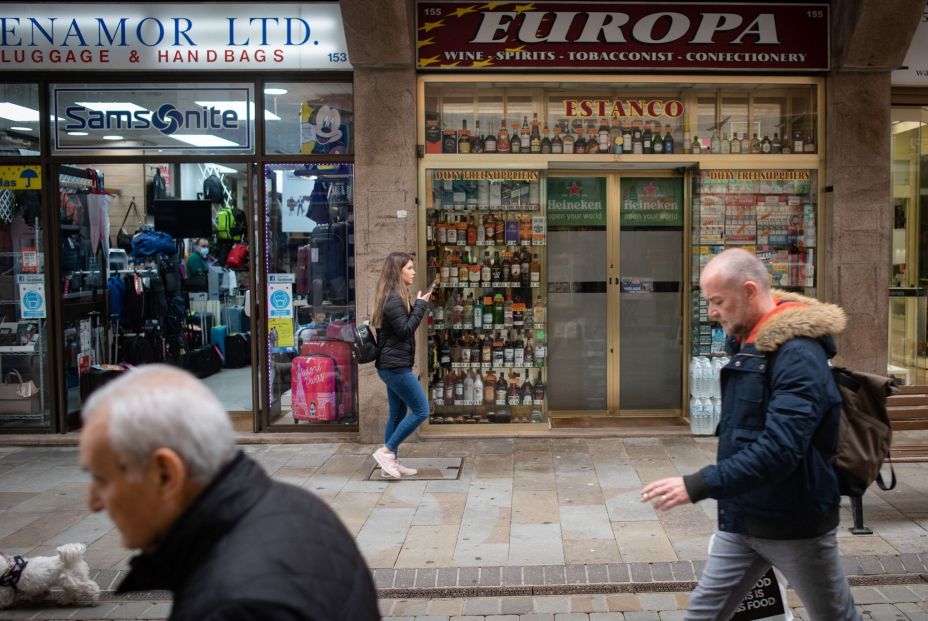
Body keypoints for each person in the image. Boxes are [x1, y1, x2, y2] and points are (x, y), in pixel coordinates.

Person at [640, 248, 860, 621]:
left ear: (749, 291)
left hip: (794, 522)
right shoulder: (749, 345)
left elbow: (780, 448)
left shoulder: (797, 356)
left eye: (718, 301)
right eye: (708, 302)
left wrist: (698, 484)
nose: (711, 311)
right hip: (742, 517)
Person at [79, 365, 380, 621]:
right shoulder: (300, 506)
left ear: (165, 474)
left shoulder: (232, 606)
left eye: (101, 479)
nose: (93, 501)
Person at [370, 252, 432, 479]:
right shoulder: (393, 299)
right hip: (395, 367)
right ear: (398, 271)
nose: (413, 272)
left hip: (393, 365)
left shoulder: (394, 295)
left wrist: (416, 304)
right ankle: (386, 452)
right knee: (421, 410)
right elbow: (405, 329)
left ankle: (390, 464)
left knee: (396, 414)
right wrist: (421, 305)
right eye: (410, 268)